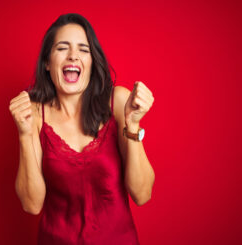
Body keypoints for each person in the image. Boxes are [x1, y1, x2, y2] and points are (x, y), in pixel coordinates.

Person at [9, 13, 155, 245]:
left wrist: (133, 125)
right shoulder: (34, 113)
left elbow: (142, 194)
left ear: (92, 61)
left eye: (83, 50)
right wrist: (25, 134)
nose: (73, 56)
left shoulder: (118, 102)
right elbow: (31, 204)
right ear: (47, 62)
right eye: (62, 48)